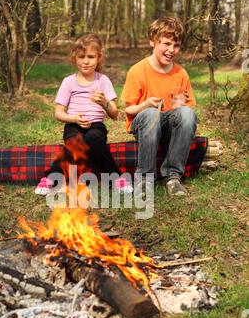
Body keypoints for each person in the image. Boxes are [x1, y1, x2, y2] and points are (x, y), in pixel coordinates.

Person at [35, 33, 132, 195]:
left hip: (96, 126)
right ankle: (51, 177)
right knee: (75, 141)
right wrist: (73, 118)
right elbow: (59, 113)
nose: (86, 61)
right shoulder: (69, 82)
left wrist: (105, 103)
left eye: (91, 57)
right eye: (81, 57)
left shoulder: (103, 81)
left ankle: (117, 179)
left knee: (93, 140)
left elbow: (114, 114)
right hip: (73, 124)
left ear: (99, 58)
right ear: (75, 58)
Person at [121, 16, 197, 196]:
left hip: (168, 126)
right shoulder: (138, 70)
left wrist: (180, 106)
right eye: (166, 43)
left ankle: (173, 177)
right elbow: (128, 109)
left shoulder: (181, 73)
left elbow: (187, 113)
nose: (171, 50)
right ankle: (145, 179)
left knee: (186, 113)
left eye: (176, 45)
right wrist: (146, 104)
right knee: (150, 114)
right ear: (152, 41)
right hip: (144, 124)